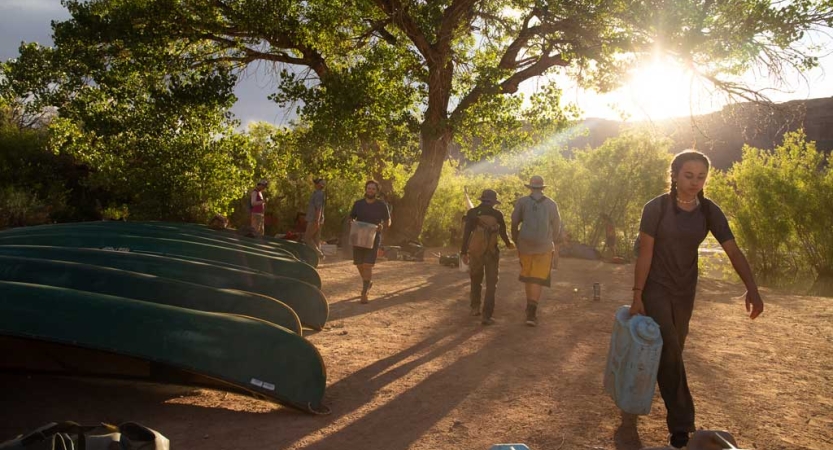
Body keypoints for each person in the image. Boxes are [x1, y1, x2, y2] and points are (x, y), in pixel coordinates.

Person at [629, 150, 764, 449]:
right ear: (675, 174)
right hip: (656, 286)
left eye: (701, 177)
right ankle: (681, 425)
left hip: (685, 289)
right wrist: (637, 294)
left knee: (672, 349)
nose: (694, 182)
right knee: (670, 346)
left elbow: (732, 250)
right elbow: (646, 253)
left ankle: (636, 390)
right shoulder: (656, 208)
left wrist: (752, 288)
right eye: (688, 175)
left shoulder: (709, 211)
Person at [511, 175, 561, 327]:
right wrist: (550, 240)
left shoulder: (522, 202)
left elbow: (514, 223)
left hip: (525, 246)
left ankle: (529, 307)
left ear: (531, 188)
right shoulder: (551, 204)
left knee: (528, 276)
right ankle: (532, 312)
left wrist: (516, 241)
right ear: (542, 188)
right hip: (544, 247)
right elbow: (557, 226)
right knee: (537, 278)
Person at [460, 189, 514, 325]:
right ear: (494, 202)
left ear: (482, 200)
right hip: (492, 252)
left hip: (476, 251)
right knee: (491, 284)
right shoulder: (497, 214)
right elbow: (503, 234)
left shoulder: (472, 213)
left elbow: (466, 234)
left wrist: (463, 252)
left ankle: (475, 307)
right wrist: (509, 244)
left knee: (475, 279)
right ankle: (487, 315)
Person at [349, 180, 391, 304]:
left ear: (376, 191)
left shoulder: (381, 205)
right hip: (358, 236)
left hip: (373, 237)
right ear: (366, 190)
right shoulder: (358, 204)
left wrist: (382, 226)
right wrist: (351, 222)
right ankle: (368, 282)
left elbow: (388, 221)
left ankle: (364, 291)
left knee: (367, 264)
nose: (370, 190)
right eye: (369, 188)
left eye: (373, 189)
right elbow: (351, 217)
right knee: (359, 264)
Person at [304, 178, 327, 259]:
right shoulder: (318, 193)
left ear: (320, 185)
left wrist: (316, 220)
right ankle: (316, 259)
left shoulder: (318, 194)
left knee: (307, 238)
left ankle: (319, 254)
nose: (315, 184)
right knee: (316, 239)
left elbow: (318, 208)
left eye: (316, 183)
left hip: (314, 219)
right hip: (317, 219)